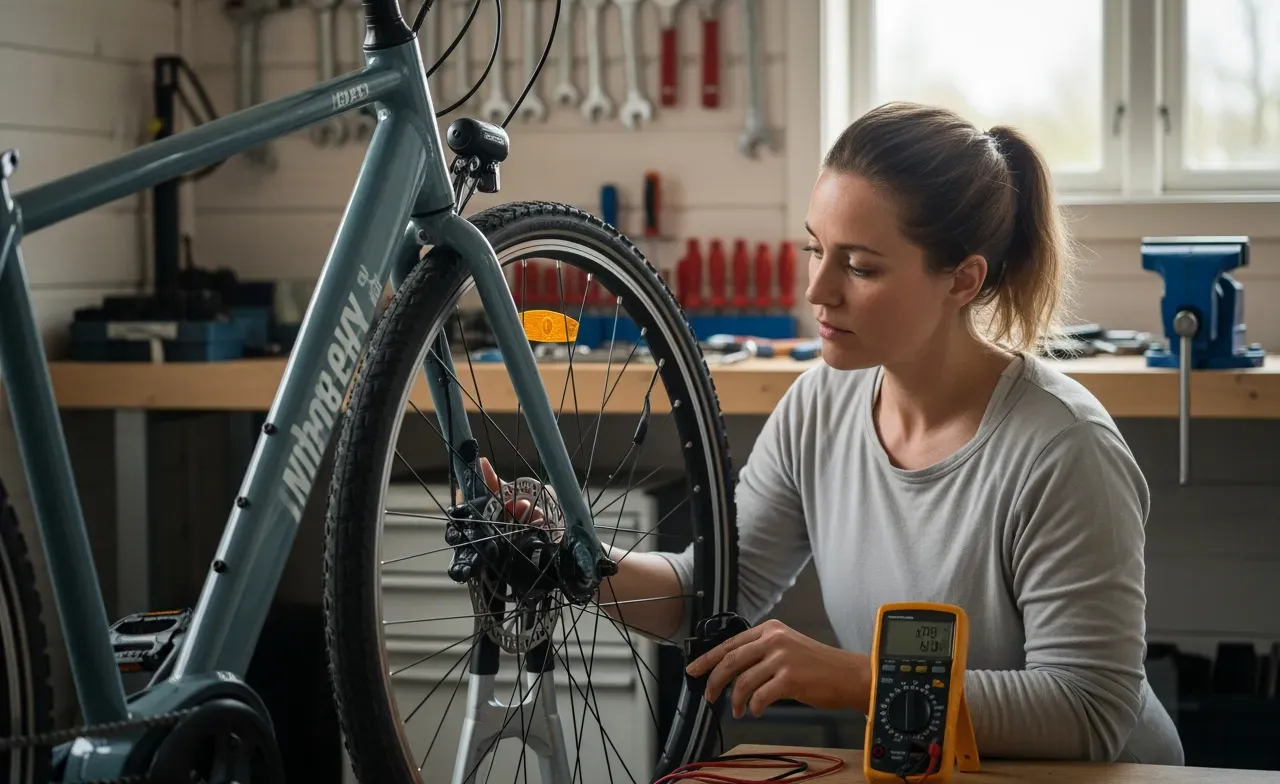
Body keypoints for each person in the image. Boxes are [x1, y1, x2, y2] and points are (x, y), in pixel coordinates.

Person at [480, 101, 1184, 764]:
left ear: (963, 281)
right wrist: (570, 555)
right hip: (938, 773)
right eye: (816, 250)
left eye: (861, 266)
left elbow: (1090, 711)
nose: (818, 291)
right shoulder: (820, 404)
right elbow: (710, 592)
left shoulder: (1064, 448)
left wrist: (858, 680)